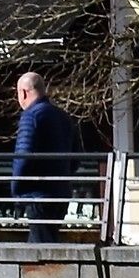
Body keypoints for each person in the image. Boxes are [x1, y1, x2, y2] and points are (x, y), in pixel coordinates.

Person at [9, 71, 85, 237]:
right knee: (48, 241)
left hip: (38, 194)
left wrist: (16, 191)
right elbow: (76, 157)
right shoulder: (64, 116)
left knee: (41, 249)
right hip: (61, 192)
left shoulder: (31, 116)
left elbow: (23, 157)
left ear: (23, 92)